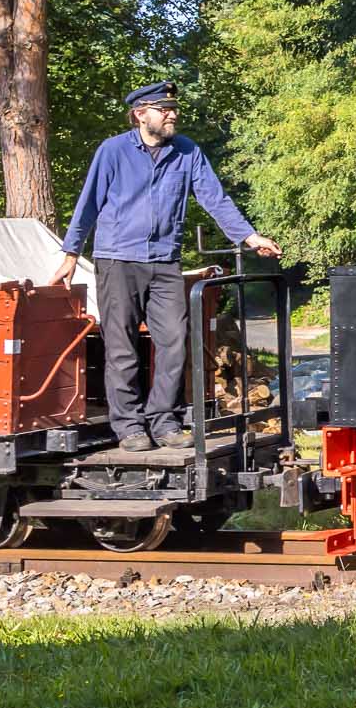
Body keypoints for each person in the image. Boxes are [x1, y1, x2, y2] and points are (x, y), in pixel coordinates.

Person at [51, 81, 282, 450]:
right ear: (141, 114)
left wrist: (249, 237)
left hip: (164, 262)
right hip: (117, 260)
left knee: (175, 343)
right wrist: (70, 253)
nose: (172, 114)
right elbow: (88, 203)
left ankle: (164, 421)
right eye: (163, 109)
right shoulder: (112, 152)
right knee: (122, 346)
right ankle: (128, 426)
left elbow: (215, 199)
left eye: (173, 108)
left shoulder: (187, 152)